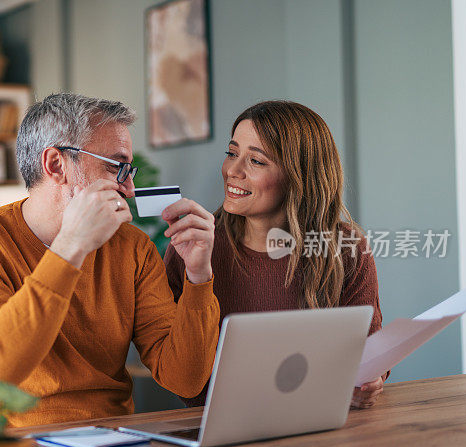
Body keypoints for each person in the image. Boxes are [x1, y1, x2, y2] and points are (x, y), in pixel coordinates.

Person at [0, 93, 220, 427]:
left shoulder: (133, 248)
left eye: (128, 170)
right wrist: (70, 247)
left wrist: (198, 277)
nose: (130, 189)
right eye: (116, 167)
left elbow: (185, 381)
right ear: (56, 165)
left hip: (111, 443)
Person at [165, 100, 387, 410]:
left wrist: (369, 380)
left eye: (255, 161)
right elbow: (178, 371)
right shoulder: (193, 247)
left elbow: (369, 351)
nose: (233, 170)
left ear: (299, 175)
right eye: (232, 153)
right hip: (216, 430)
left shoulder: (347, 249)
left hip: (319, 424)